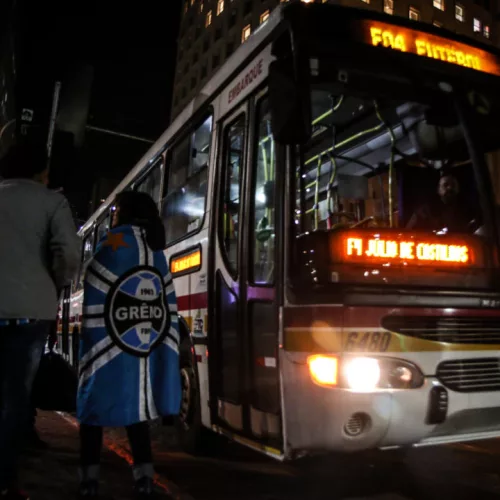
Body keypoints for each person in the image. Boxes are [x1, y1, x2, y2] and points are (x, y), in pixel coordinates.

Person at [77, 191, 181, 499]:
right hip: (140, 349)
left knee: (92, 412)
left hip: (107, 348)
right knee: (137, 413)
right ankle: (144, 480)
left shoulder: (111, 245)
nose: (112, 215)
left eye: (115, 210)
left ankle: (89, 482)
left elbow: (92, 282)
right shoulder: (156, 251)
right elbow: (165, 307)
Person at [0, 140, 81, 500]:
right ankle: (3, 480)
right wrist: (53, 281)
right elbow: (67, 255)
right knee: (15, 397)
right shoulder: (53, 202)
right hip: (30, 311)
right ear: (41, 171)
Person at [406, 172, 477, 232]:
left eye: (453, 185)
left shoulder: (468, 211)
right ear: (438, 189)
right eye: (445, 185)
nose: (450, 188)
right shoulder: (424, 211)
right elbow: (410, 233)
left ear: (458, 189)